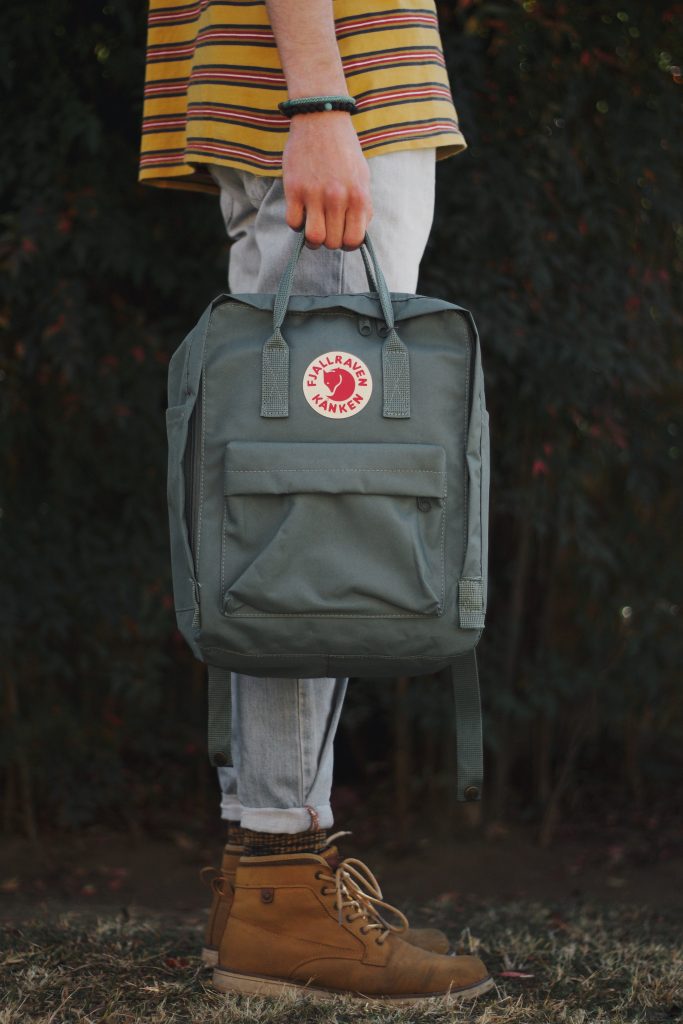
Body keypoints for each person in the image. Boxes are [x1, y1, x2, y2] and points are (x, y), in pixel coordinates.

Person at [139, 0, 494, 1004]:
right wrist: (320, 99)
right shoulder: (322, 101)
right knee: (313, 506)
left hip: (328, 87)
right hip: (332, 86)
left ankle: (269, 877)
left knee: (310, 500)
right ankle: (280, 876)